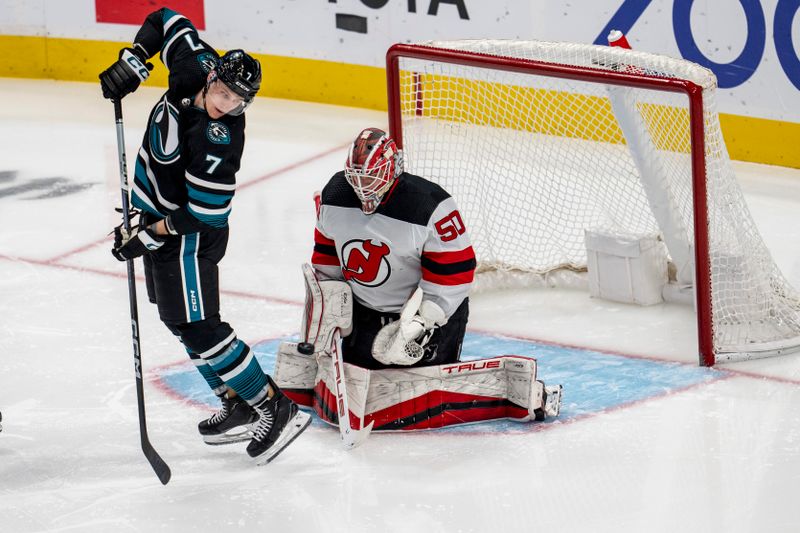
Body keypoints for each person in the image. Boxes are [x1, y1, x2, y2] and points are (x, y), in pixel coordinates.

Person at [100, 8, 309, 464]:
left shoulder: (218, 141)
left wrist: (151, 232)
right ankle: (235, 403)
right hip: (160, 222)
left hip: (188, 239)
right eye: (223, 91)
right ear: (210, 73)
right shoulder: (193, 63)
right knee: (176, 319)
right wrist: (135, 59)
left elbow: (205, 217)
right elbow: (165, 18)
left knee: (200, 324)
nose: (226, 103)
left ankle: (274, 405)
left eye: (239, 100)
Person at [311, 127, 476, 369]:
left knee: (425, 398)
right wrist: (333, 305)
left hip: (427, 318)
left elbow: (455, 272)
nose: (361, 184)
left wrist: (421, 323)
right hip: (363, 314)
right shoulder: (335, 194)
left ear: (391, 170)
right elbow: (327, 254)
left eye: (370, 176)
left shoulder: (429, 204)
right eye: (356, 175)